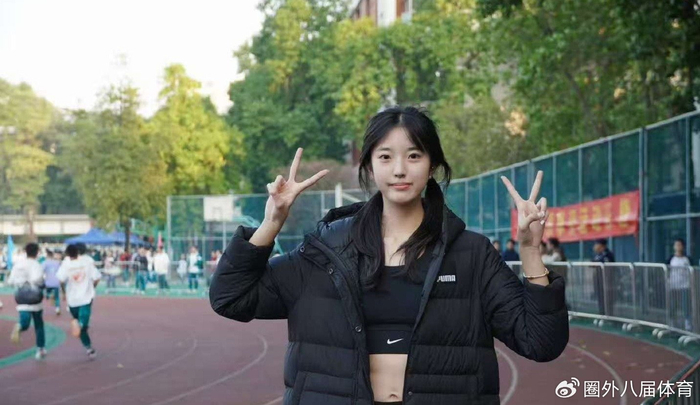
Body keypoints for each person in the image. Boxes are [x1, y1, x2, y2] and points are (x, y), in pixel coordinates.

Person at [210, 107, 568, 404]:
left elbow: (541, 342)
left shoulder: (471, 254)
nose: (399, 169)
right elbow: (231, 298)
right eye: (386, 157)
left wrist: (530, 250)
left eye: (414, 155)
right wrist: (272, 222)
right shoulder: (326, 251)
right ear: (369, 166)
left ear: (432, 166)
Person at [57, 244, 100, 360]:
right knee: (83, 325)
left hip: (72, 299)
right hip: (85, 297)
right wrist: (92, 287)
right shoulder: (87, 262)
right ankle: (80, 326)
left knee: (81, 326)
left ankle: (88, 348)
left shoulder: (65, 264)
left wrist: (63, 292)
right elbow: (97, 277)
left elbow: (61, 280)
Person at [8, 243, 47, 360]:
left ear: (25, 251)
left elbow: (10, 281)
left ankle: (20, 326)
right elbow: (38, 279)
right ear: (37, 252)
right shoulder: (37, 265)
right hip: (35, 297)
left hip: (21, 297)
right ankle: (40, 349)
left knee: (24, 320)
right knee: (38, 324)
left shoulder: (18, 265)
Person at [667, 238, 692, 331]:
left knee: (685, 305)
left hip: (685, 285)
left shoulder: (687, 259)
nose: (678, 247)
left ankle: (687, 323)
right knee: (673, 305)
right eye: (676, 245)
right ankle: (672, 323)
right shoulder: (671, 259)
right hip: (673, 286)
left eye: (679, 245)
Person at [592, 238, 615, 317]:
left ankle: (608, 315)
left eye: (596, 244)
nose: (595, 247)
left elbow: (606, 264)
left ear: (601, 246)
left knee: (607, 298)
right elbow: (592, 263)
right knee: (600, 297)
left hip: (606, 279)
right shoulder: (598, 255)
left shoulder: (607, 254)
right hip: (598, 279)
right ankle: (602, 314)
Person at [43, 249, 62, 315]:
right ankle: (57, 308)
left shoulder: (45, 262)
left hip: (48, 282)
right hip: (56, 282)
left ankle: (49, 295)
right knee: (57, 297)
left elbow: (41, 270)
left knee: (46, 293)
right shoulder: (57, 263)